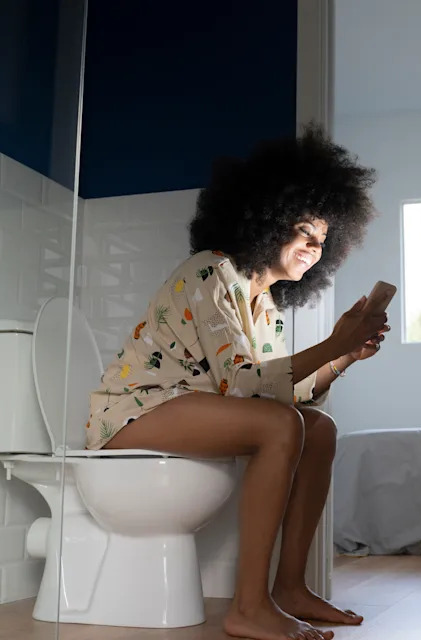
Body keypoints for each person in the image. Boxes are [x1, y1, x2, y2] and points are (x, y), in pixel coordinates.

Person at [87, 124, 388, 640]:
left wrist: (345, 358)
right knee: (279, 426)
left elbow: (278, 391)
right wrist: (334, 343)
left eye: (322, 241)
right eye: (303, 233)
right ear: (267, 221)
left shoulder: (265, 306)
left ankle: (290, 586)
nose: (314, 249)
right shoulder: (212, 272)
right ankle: (249, 605)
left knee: (318, 429)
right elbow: (246, 386)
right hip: (129, 414)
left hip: (182, 410)